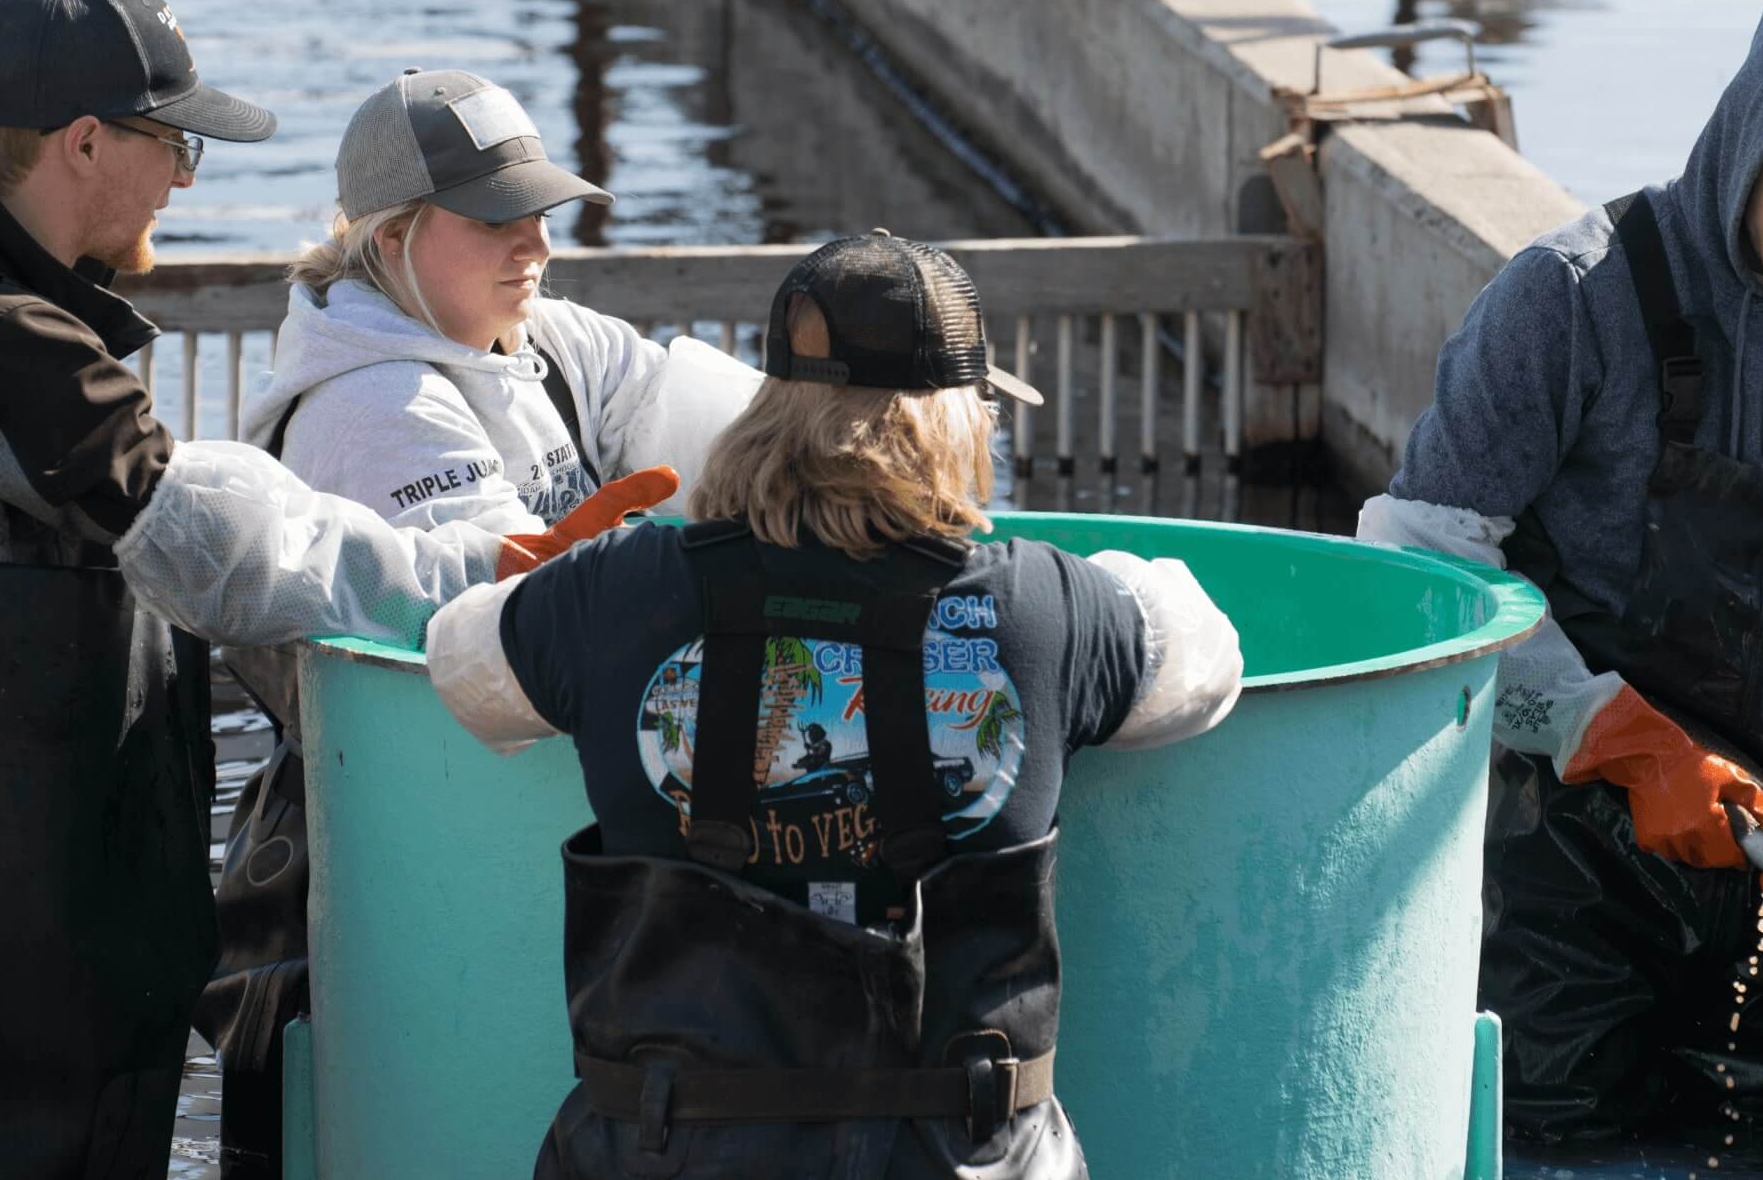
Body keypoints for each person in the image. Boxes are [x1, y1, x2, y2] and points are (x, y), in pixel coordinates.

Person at [0, 0, 668, 1180]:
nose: (185, 181)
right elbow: (207, 543)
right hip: (20, 956)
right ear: (83, 142)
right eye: (174, 144)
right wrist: (487, 562)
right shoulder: (9, 341)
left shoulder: (19, 311)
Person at [424, 230, 1247, 1178]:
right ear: (961, 424)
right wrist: (1100, 585)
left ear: (767, 406)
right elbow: (1204, 667)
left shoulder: (612, 593)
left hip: (670, 1153)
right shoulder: (1050, 607)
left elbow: (461, 667)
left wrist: (586, 586)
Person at [1356, 0, 1763, 1150]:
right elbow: (1424, 556)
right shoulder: (1568, 298)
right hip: (1571, 843)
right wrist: (1608, 731)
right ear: (1745, 137)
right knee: (1558, 1138)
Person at [240, 67, 761, 531]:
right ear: (394, 235)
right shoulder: (377, 403)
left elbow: (738, 439)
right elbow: (499, 601)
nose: (535, 246)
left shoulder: (556, 341)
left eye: (540, 214)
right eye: (494, 220)